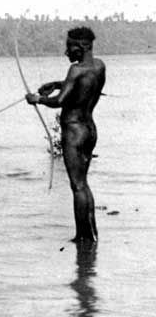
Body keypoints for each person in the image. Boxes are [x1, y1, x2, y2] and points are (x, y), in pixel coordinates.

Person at [26, 27, 105, 242]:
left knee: (77, 185)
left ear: (82, 46)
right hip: (90, 130)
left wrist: (38, 100)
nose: (66, 51)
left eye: (70, 46)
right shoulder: (99, 66)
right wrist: (57, 84)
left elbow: (60, 101)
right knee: (83, 184)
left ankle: (82, 237)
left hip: (73, 131)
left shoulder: (75, 70)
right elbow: (84, 85)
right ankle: (91, 235)